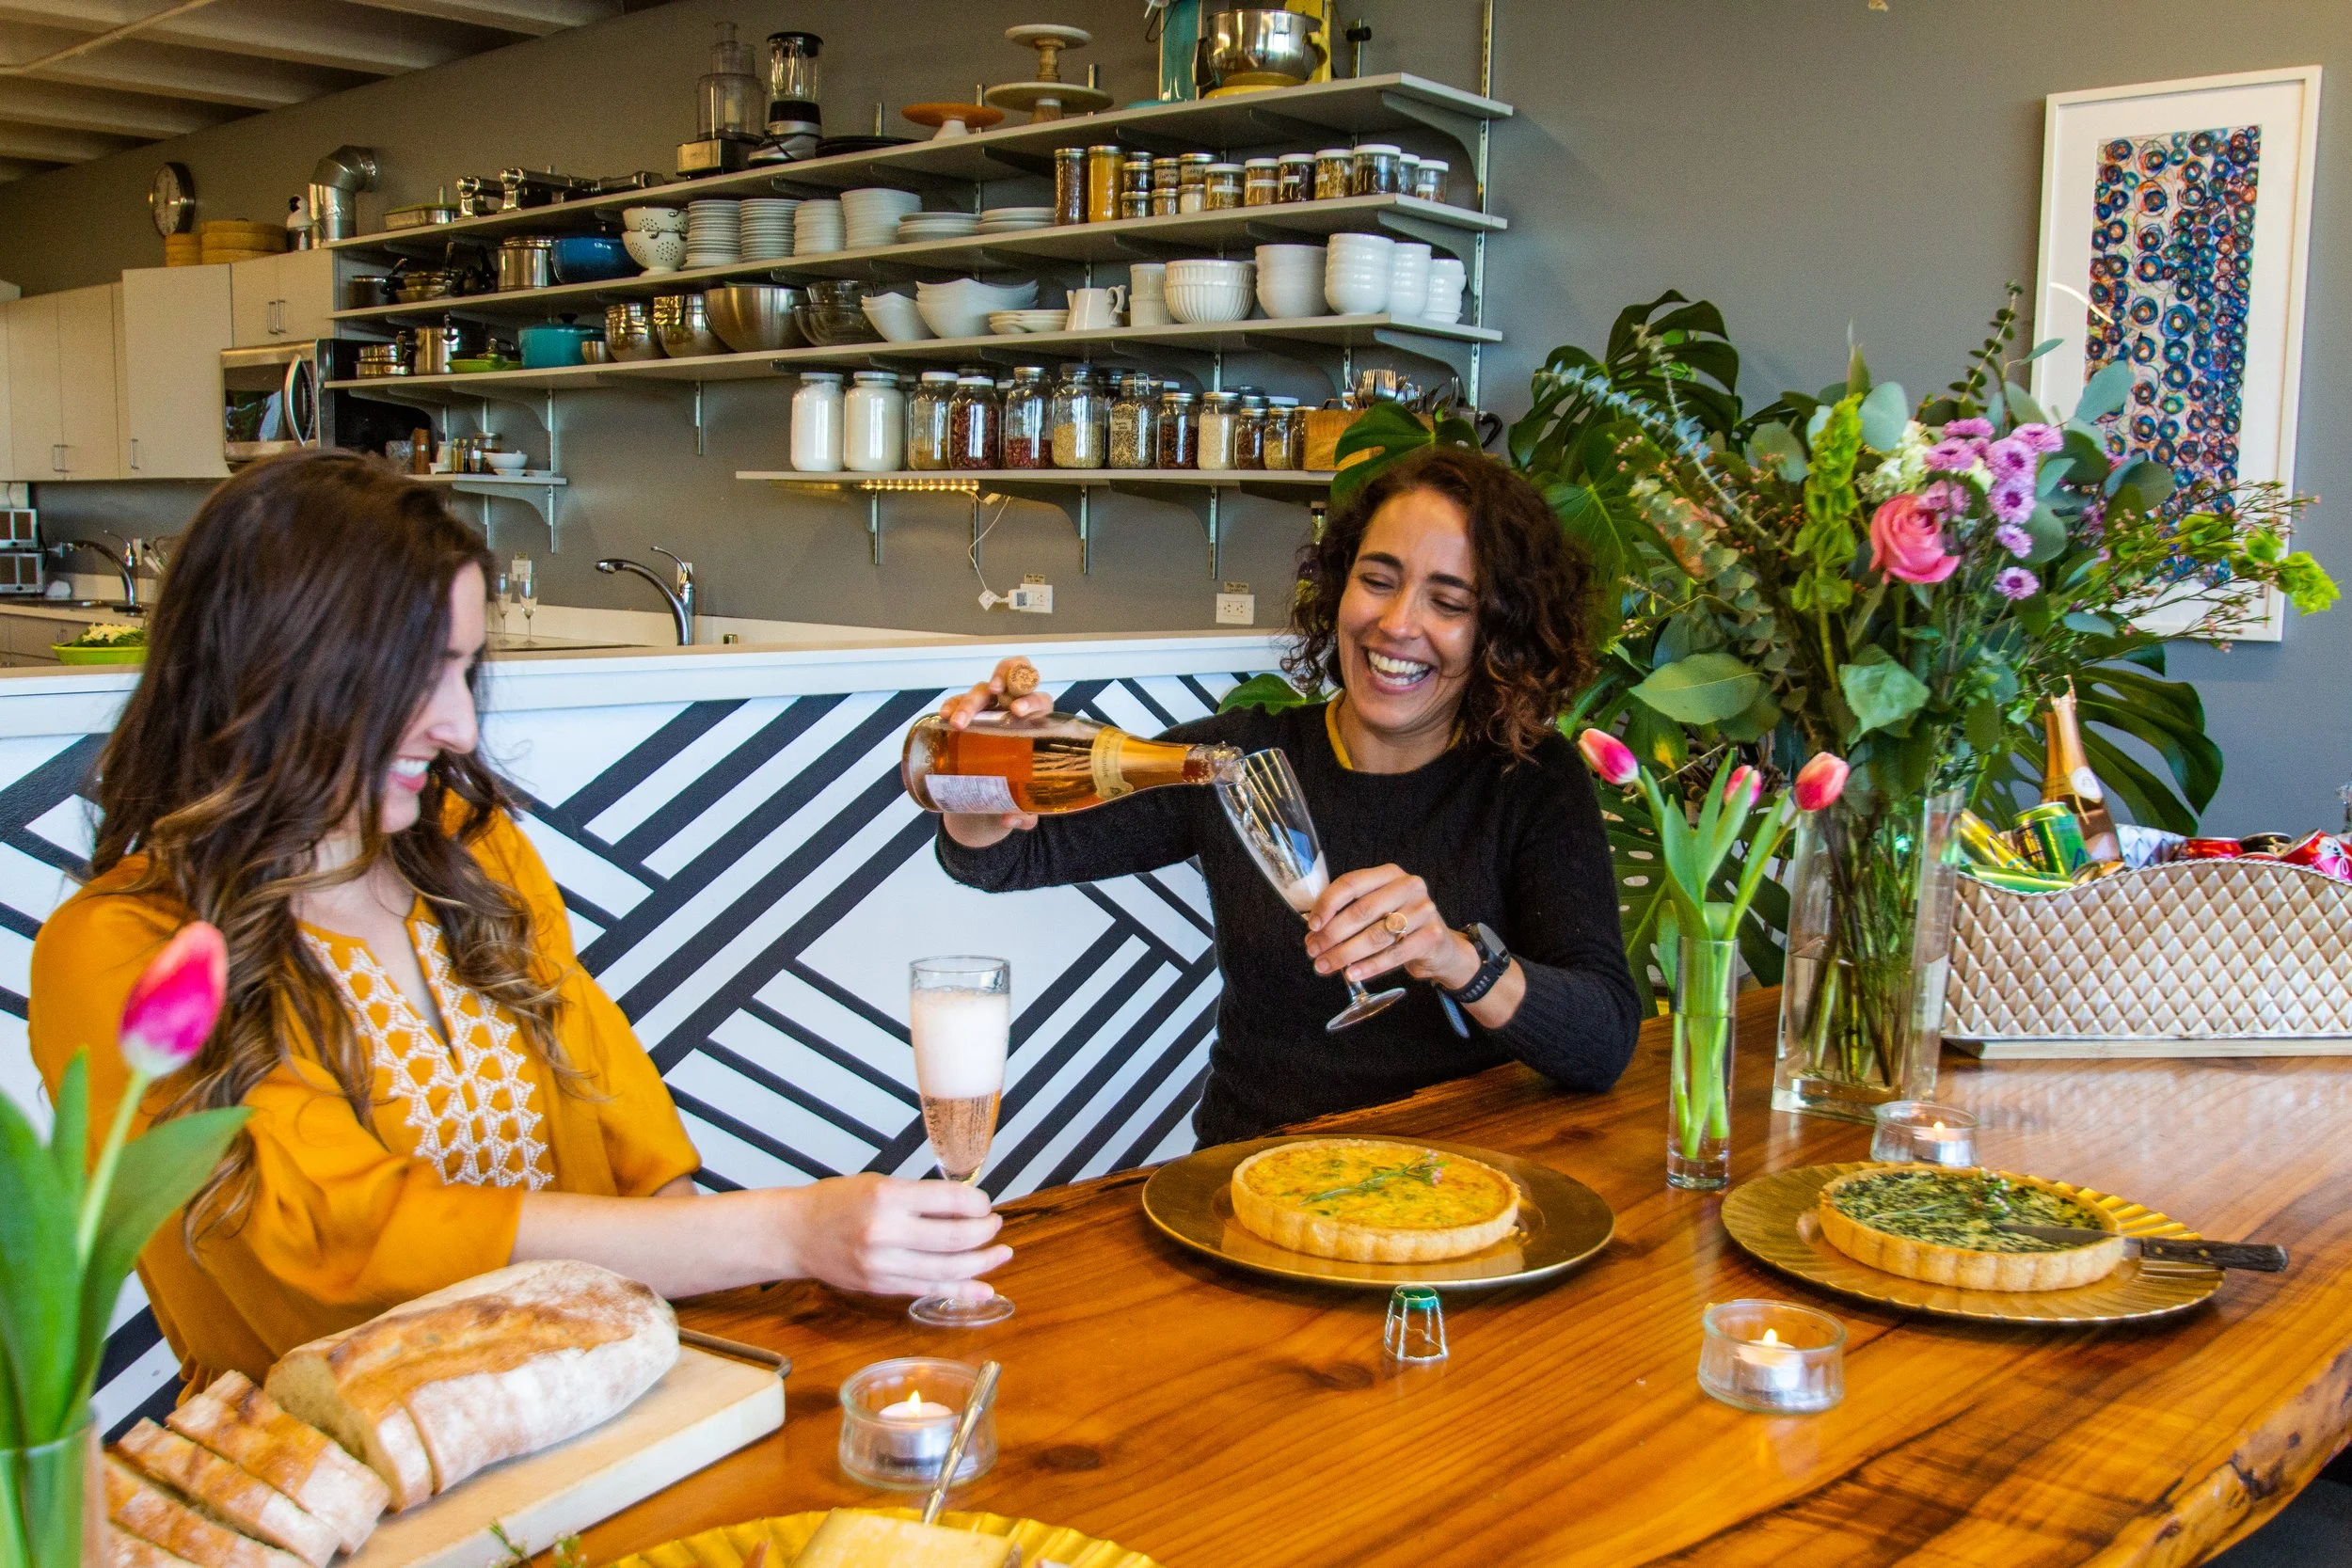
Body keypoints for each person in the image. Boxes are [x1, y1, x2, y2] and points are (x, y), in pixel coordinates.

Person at [28, 452, 1008, 1390]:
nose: (457, 724)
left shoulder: (475, 854)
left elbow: (634, 1144)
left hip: (589, 1403)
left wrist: (722, 1347)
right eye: (418, 675)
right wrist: (790, 1232)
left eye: (464, 671)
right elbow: (347, 1234)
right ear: (277, 669)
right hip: (331, 1480)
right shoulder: (121, 949)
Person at [935, 447, 1642, 1144]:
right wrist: (983, 784)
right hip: (1245, 1176)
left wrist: (1454, 957)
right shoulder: (1231, 761)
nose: (1397, 623)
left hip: (1452, 1191)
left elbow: (1603, 1038)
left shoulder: (1531, 779)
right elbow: (1006, 856)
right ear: (1338, 588)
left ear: (1499, 631)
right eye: (1377, 579)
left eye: (1449, 601)